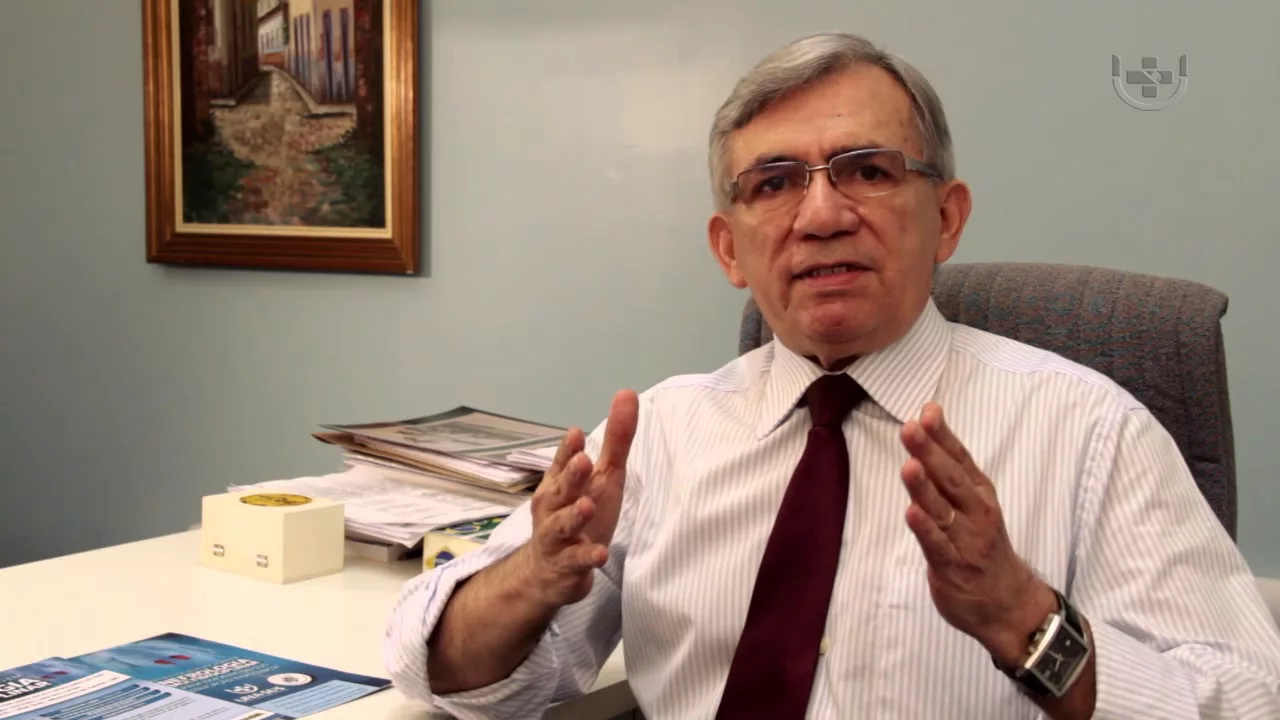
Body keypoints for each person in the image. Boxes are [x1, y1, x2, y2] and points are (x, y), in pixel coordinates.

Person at [384, 31, 1280, 719]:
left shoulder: (1088, 429)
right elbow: (440, 671)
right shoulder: (661, 435)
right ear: (729, 249)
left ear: (947, 217)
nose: (820, 215)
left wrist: (1024, 619)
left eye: (866, 170)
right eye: (773, 183)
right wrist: (534, 577)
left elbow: (1247, 697)